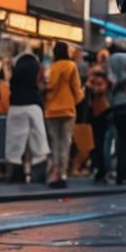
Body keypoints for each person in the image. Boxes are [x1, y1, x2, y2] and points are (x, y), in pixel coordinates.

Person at [44, 41, 84, 189]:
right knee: (65, 143)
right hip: (68, 109)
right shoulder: (71, 66)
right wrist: (79, 98)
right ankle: (63, 173)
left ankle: (54, 171)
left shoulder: (51, 68)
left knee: (54, 142)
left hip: (51, 110)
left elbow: (48, 86)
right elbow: (77, 89)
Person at [5, 51, 49, 181]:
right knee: (38, 142)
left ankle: (16, 172)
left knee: (14, 143)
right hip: (33, 106)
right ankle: (38, 172)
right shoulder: (35, 73)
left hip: (16, 106)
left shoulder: (15, 79)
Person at [108, 46, 126, 184]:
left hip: (115, 106)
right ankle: (123, 174)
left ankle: (115, 173)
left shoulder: (112, 61)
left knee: (116, 141)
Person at [87, 49, 113, 181]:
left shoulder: (102, 80)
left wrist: (91, 85)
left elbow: (99, 90)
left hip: (102, 110)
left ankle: (101, 169)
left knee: (100, 141)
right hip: (97, 110)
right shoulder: (103, 78)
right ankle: (99, 168)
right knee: (97, 141)